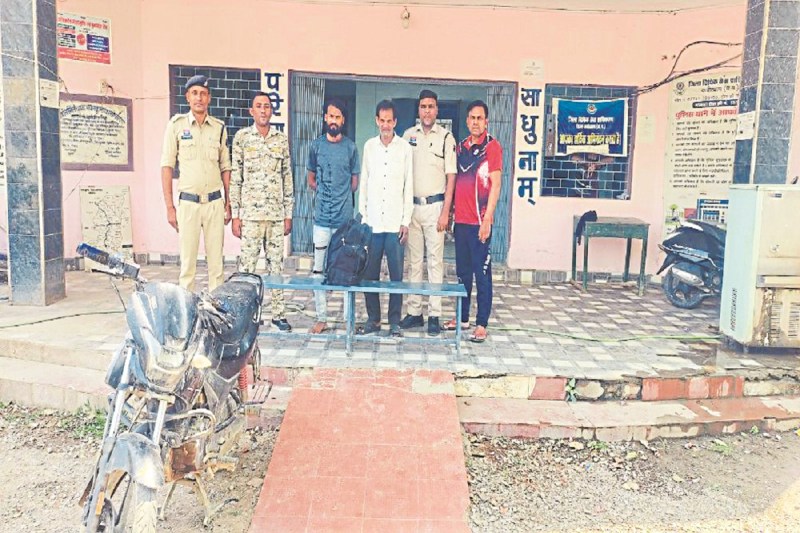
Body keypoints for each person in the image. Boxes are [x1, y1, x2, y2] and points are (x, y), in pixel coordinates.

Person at [160, 75, 231, 292]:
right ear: (187, 97)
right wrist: (170, 207)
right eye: (194, 93)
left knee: (216, 266)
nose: (199, 98)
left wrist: (229, 203)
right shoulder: (176, 125)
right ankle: (187, 309)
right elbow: (167, 166)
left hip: (214, 203)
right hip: (188, 204)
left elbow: (225, 167)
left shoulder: (218, 128)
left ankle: (215, 308)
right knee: (187, 266)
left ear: (209, 98)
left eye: (203, 94)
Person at [230, 91, 294, 331]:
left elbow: (287, 177)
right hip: (250, 216)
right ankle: (244, 316)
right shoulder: (242, 138)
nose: (263, 110)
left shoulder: (281, 140)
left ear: (272, 110)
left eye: (267, 106)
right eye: (259, 106)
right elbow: (236, 178)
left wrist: (288, 213)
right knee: (246, 268)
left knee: (276, 267)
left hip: (275, 216)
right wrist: (236, 214)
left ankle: (278, 315)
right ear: (252, 111)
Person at [399, 89, 457, 336]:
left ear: (437, 110)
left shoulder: (446, 138)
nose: (427, 111)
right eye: (423, 106)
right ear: (418, 109)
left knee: (435, 262)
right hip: (412, 207)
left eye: (431, 106)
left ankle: (434, 313)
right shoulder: (407, 136)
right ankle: (414, 312)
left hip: (435, 207)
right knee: (413, 262)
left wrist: (446, 211)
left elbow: (451, 177)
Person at [445, 100, 503, 343]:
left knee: (482, 274)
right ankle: (463, 317)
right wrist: (450, 214)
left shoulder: (492, 147)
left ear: (486, 121)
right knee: (463, 273)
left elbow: (496, 184)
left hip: (480, 223)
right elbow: (454, 182)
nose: (476, 122)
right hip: (461, 222)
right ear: (467, 121)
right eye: (472, 118)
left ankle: (481, 323)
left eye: (480, 118)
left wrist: (488, 218)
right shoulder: (461, 148)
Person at [357, 100, 413, 337]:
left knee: (396, 276)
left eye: (390, 121)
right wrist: (364, 217)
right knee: (369, 274)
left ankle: (395, 322)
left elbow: (409, 185)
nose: (386, 125)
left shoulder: (405, 149)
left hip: (394, 223)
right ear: (377, 121)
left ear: (395, 122)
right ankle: (373, 319)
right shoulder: (370, 147)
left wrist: (406, 220)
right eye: (382, 120)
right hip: (373, 224)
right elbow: (364, 182)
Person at [307, 97, 360, 334]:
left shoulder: (351, 148)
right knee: (319, 271)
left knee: (347, 271)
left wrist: (340, 196)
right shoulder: (316, 146)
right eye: (330, 116)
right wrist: (326, 193)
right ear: (325, 118)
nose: (333, 120)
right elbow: (311, 179)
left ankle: (348, 319)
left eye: (338, 117)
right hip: (321, 219)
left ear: (343, 120)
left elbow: (354, 183)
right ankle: (322, 318)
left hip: (344, 222)